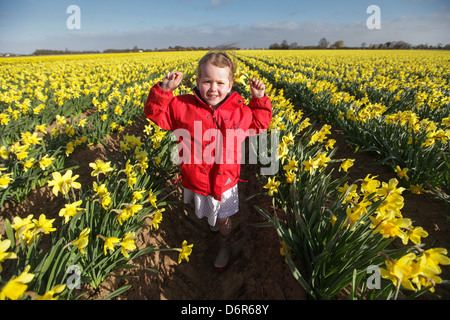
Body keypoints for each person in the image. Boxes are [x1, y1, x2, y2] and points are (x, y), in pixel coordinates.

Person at [144, 52, 272, 271]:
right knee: (206, 213)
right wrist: (164, 91)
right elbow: (155, 113)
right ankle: (214, 228)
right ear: (197, 82)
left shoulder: (239, 111)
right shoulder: (182, 107)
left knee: (223, 220)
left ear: (230, 84)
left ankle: (225, 242)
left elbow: (260, 123)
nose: (213, 88)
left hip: (226, 183)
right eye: (207, 82)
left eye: (220, 82)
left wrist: (259, 99)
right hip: (198, 181)